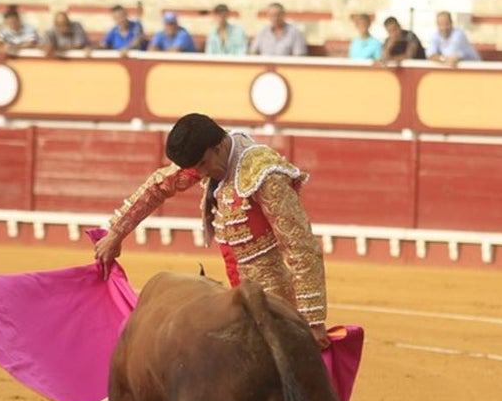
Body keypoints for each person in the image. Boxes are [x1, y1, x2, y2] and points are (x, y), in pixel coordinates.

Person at [94, 113, 330, 350]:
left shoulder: (263, 173)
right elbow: (158, 187)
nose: (201, 174)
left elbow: (301, 245)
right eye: (196, 168)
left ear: (219, 146)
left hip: (274, 300)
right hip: (240, 295)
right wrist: (116, 233)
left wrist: (313, 319)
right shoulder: (208, 157)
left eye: (203, 164)